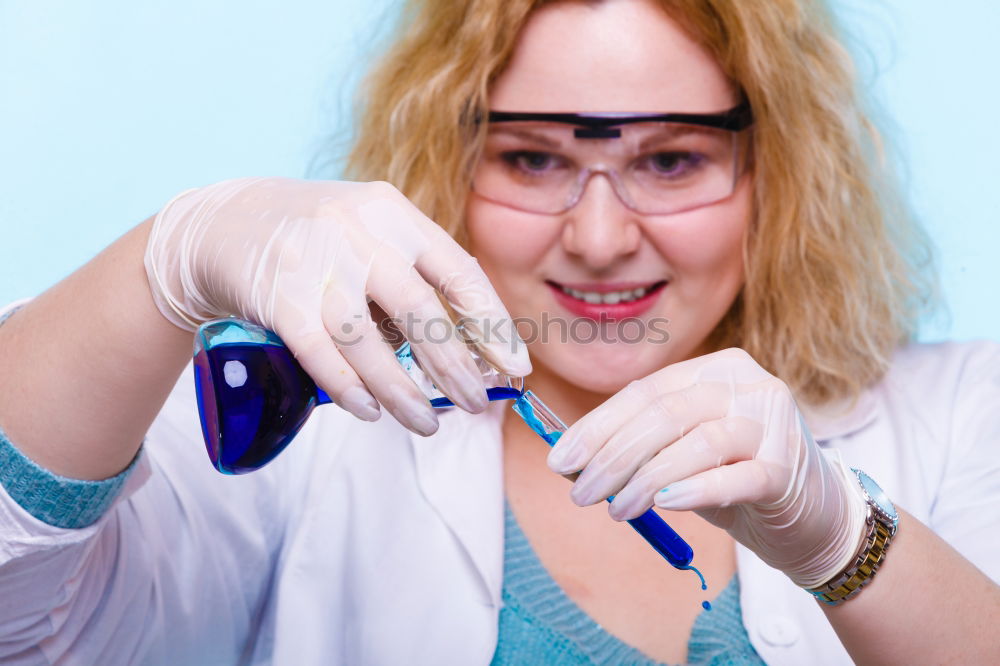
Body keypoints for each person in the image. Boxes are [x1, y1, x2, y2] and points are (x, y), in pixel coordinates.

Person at [1, 0, 998, 663]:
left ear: (775, 175)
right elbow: (24, 620)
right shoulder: (304, 447)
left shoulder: (961, 413)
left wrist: (839, 536)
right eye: (530, 160)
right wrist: (167, 259)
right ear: (447, 161)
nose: (601, 238)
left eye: (672, 161)